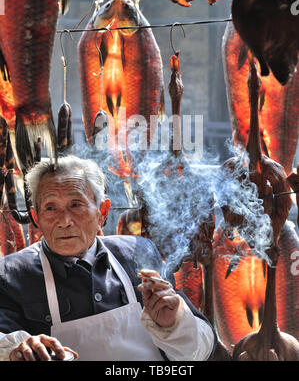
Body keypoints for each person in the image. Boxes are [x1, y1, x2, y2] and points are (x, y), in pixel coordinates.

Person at [0, 155, 216, 361]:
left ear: (102, 212)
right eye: (50, 208)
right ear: (36, 217)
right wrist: (14, 351)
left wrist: (174, 325)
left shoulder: (137, 253)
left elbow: (200, 352)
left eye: (76, 204)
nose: (64, 220)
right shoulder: (11, 273)